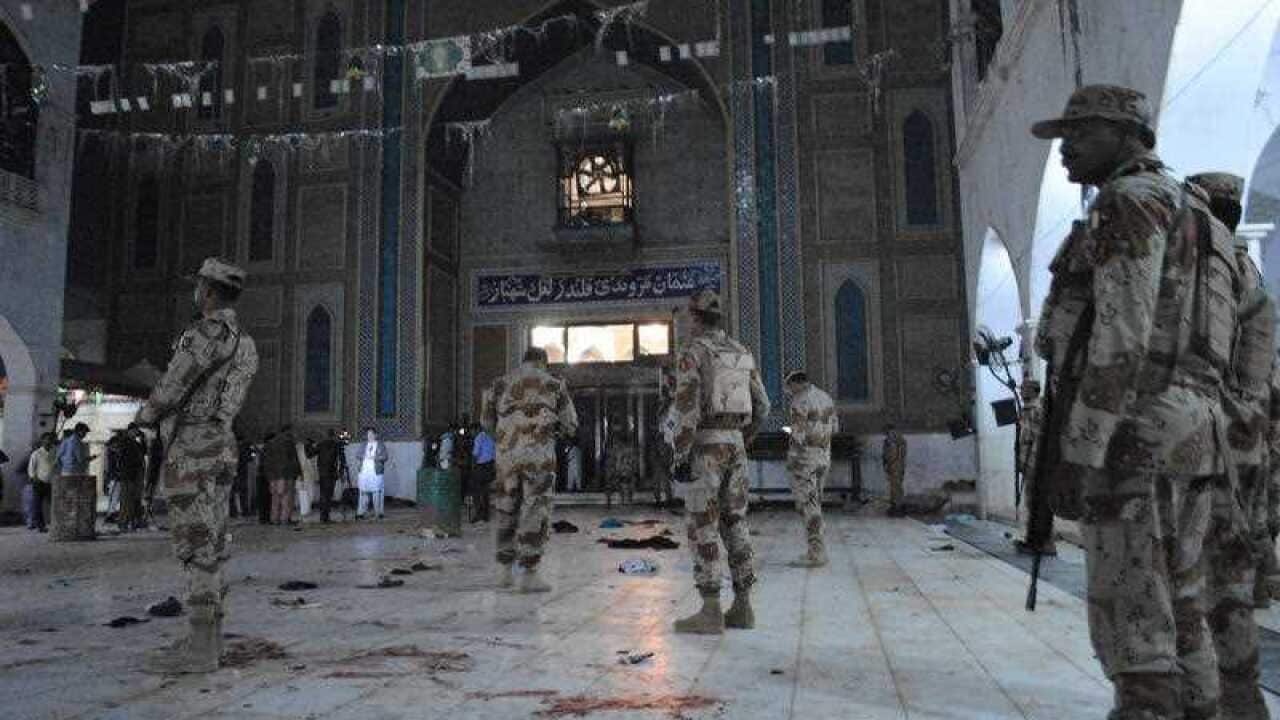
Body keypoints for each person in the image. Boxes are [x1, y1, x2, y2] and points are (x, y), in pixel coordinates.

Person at [1031, 85, 1236, 720]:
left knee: (1131, 606)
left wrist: (1082, 447)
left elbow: (1122, 332)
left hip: (1136, 432)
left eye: (1080, 133)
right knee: (1182, 598)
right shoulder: (1195, 212)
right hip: (1195, 427)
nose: (1066, 147)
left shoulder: (1128, 202)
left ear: (1127, 134)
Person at [135, 257, 258, 674]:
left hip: (193, 445)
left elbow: (174, 382)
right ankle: (209, 640)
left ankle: (200, 649)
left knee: (195, 543)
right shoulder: (245, 342)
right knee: (214, 541)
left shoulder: (205, 334)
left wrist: (146, 416)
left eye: (198, 287)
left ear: (207, 291)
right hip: (223, 444)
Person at [1187, 171, 1273, 719]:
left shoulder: (1213, 282)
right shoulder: (1255, 281)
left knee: (1196, 589)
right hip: (1247, 455)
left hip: (1211, 453)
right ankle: (1242, 701)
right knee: (1233, 589)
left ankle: (1212, 701)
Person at [666, 290, 770, 634]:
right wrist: (741, 439)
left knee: (703, 525)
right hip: (736, 447)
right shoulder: (742, 352)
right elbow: (763, 406)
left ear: (695, 319)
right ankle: (743, 608)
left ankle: (710, 609)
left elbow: (686, 408)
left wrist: (680, 453)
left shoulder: (693, 353)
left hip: (705, 449)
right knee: (735, 523)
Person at [482, 346, 578, 593]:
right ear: (543, 362)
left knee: (506, 508)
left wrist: (505, 441)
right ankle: (529, 573)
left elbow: (485, 422)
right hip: (539, 459)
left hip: (506, 459)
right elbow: (571, 425)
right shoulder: (555, 383)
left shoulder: (499, 383)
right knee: (535, 509)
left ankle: (503, 572)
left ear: (523, 361)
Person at [783, 371, 837, 568]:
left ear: (797, 384)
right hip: (824, 456)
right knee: (816, 503)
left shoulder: (800, 401)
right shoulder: (826, 397)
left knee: (808, 505)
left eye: (789, 386)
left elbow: (797, 435)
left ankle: (816, 553)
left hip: (806, 458)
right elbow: (835, 428)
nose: (788, 391)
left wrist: (792, 459)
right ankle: (818, 549)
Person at [1013, 378, 1055, 556]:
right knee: (1031, 503)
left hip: (1037, 463)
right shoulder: (1026, 411)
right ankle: (1034, 541)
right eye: (1021, 389)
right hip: (1028, 463)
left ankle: (1046, 544)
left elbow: (1041, 439)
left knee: (1040, 503)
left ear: (1033, 391)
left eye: (1024, 389)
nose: (1021, 392)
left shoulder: (1038, 410)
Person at [113, 424, 147, 531]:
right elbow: (121, 458)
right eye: (135, 431)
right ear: (130, 431)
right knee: (126, 501)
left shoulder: (136, 443)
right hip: (127, 475)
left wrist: (143, 439)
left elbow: (144, 451)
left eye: (137, 431)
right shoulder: (124, 442)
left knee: (134, 500)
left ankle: (132, 522)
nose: (136, 433)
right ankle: (123, 523)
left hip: (135, 475)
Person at [265, 426, 300, 525]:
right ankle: (285, 519)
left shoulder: (270, 443)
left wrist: (269, 476)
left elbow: (267, 461)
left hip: (273, 475)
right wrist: (298, 473)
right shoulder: (289, 442)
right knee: (287, 497)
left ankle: (274, 519)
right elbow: (294, 459)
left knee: (275, 498)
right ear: (288, 431)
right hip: (287, 474)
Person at [25, 433, 56, 532]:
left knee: (54, 504)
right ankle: (41, 526)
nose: (49, 441)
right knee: (37, 505)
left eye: (50, 439)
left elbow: (57, 466)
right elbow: (31, 469)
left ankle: (56, 524)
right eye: (46, 439)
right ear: (42, 441)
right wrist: (34, 478)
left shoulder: (54, 451)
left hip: (52, 482)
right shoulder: (36, 453)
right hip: (39, 482)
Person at [357, 427, 389, 519]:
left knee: (376, 492)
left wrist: (375, 457)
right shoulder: (363, 444)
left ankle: (378, 512)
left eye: (371, 434)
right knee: (363, 491)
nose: (369, 436)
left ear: (376, 435)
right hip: (364, 471)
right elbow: (357, 454)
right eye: (368, 434)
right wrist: (364, 456)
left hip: (376, 471)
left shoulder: (380, 445)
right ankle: (361, 512)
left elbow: (385, 457)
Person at [603, 426, 638, 507]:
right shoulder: (612, 451)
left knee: (628, 483)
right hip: (616, 472)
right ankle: (610, 501)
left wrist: (630, 470)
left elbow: (632, 462)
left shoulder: (628, 450)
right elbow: (611, 463)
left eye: (617, 441)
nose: (616, 443)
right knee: (610, 484)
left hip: (625, 472)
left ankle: (627, 500)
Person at [314, 429, 343, 523]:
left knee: (323, 495)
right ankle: (325, 517)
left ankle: (323, 516)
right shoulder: (336, 445)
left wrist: (308, 444)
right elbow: (341, 460)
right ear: (333, 435)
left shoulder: (320, 444)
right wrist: (340, 472)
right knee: (328, 495)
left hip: (322, 473)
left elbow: (309, 454)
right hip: (331, 473)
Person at [471, 423, 495, 523]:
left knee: (476, 491)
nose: (471, 433)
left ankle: (478, 514)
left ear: (476, 430)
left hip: (481, 467)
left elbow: (476, 454)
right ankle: (486, 515)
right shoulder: (490, 437)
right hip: (490, 466)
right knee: (486, 491)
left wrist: (472, 466)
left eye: (472, 431)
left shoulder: (478, 438)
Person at [882, 424, 907, 513]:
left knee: (896, 486)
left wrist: (890, 464)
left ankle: (897, 506)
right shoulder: (894, 440)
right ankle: (896, 505)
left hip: (895, 465)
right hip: (895, 465)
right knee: (895, 486)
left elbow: (895, 455)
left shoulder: (895, 440)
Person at [295, 435, 318, 520]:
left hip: (309, 476)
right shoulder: (300, 452)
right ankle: (304, 511)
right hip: (302, 476)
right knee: (303, 494)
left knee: (310, 494)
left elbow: (314, 467)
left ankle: (307, 510)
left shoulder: (311, 454)